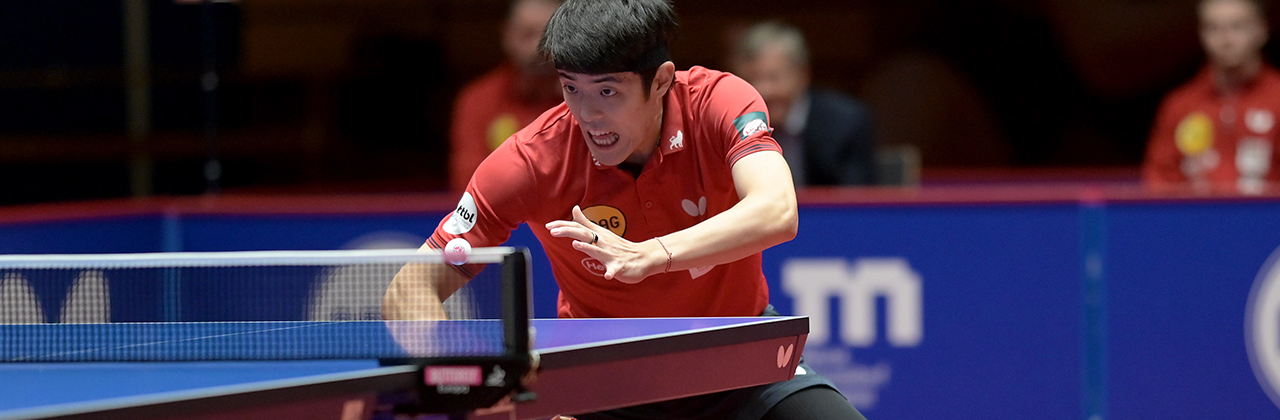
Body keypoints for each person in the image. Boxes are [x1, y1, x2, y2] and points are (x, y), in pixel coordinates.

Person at [384, 1, 866, 419]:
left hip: (741, 363)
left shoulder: (719, 103)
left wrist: (653, 254)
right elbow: (410, 287)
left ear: (660, 81)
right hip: (605, 384)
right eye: (572, 88)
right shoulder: (530, 161)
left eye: (608, 92)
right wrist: (463, 363)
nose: (587, 115)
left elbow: (778, 210)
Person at [1144, 0, 1280, 193]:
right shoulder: (1179, 104)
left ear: (1261, 30)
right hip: (1195, 220)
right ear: (1201, 34)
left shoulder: (1277, 97)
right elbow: (1160, 181)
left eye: (1237, 26)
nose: (1226, 39)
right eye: (1213, 28)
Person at [728, 21, 878, 187]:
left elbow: (857, 201)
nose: (763, 91)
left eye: (773, 78)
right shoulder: (733, 126)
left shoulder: (845, 122)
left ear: (802, 74)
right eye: (751, 80)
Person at [448, 0, 564, 192]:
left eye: (548, 36)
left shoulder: (590, 98)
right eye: (527, 34)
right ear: (507, 35)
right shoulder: (478, 99)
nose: (538, 47)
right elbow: (467, 181)